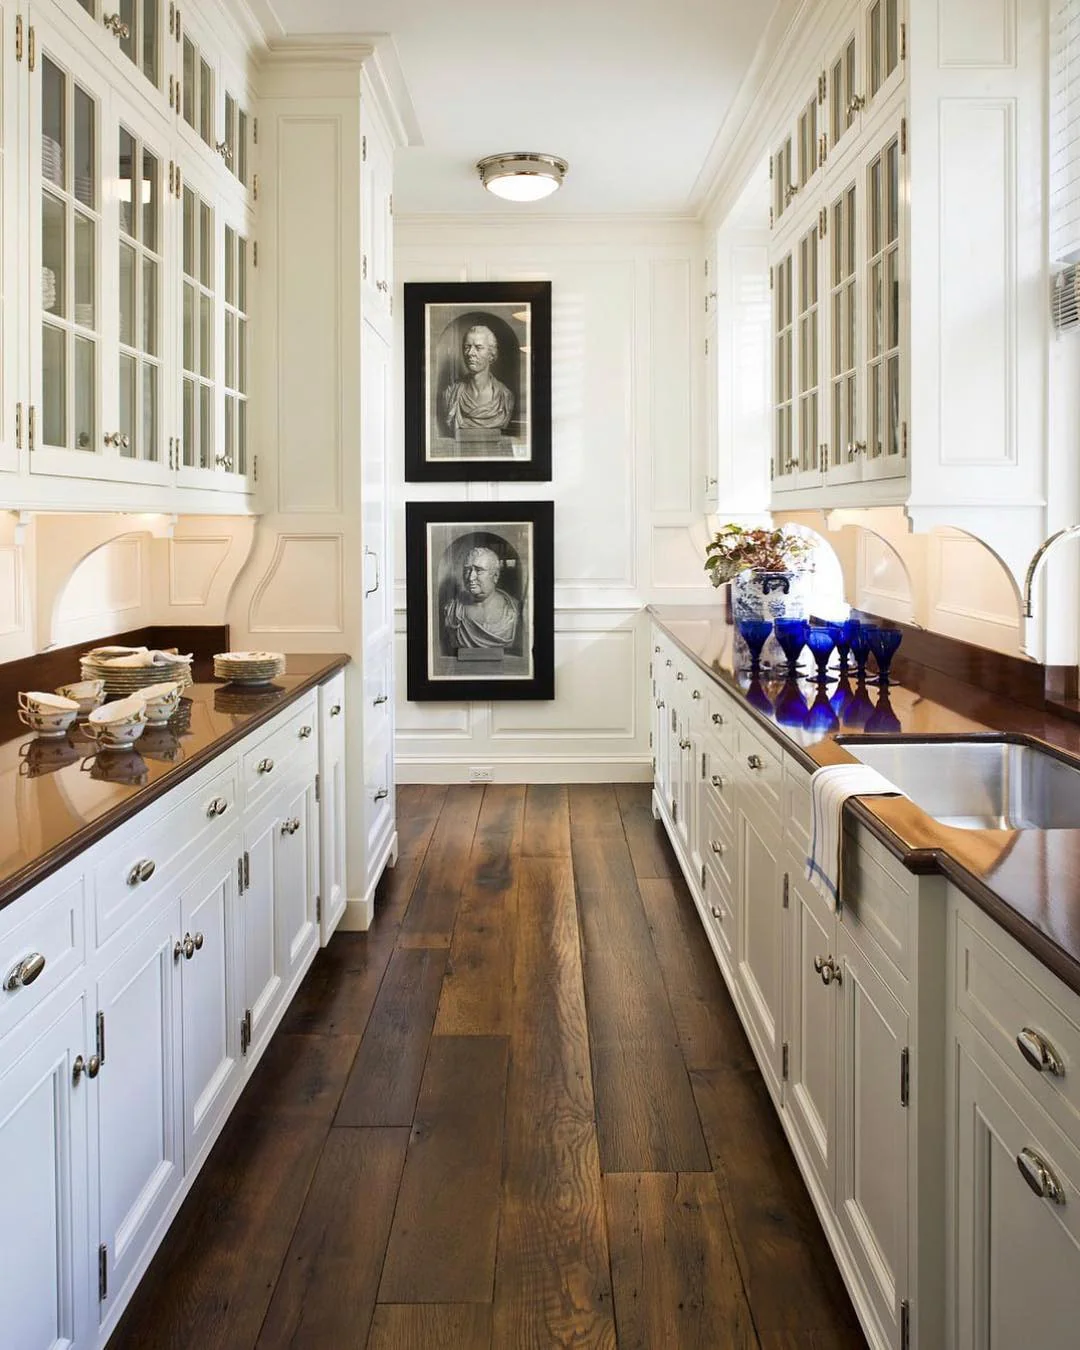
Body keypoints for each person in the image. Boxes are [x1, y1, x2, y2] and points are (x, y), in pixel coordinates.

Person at [443, 546, 520, 653]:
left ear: (495, 576)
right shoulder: (453, 610)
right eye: (467, 570)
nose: (471, 577)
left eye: (479, 571)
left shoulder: (513, 609)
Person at [442, 324, 515, 435]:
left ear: (491, 354)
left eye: (478, 347)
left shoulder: (505, 397)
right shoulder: (450, 394)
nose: (470, 353)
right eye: (467, 347)